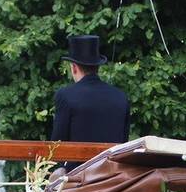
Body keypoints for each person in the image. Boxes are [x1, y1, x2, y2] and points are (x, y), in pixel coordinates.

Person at [51, 35, 130, 171]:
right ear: (97, 67)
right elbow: (123, 142)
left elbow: (56, 145)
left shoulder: (66, 95)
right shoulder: (121, 97)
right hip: (113, 176)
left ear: (74, 68)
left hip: (77, 179)